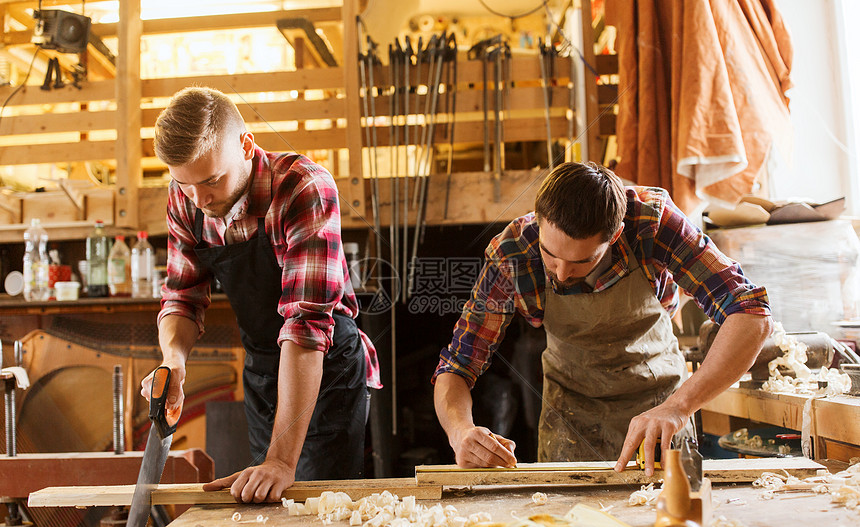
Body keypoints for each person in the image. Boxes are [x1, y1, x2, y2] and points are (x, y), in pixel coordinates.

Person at [433, 162, 772, 475]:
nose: (562, 274)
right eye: (550, 256)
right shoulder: (513, 252)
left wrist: (680, 406)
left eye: (581, 262)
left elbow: (750, 311)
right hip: (570, 418)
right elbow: (458, 365)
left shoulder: (652, 223)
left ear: (614, 235)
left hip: (660, 409)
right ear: (538, 220)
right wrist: (460, 432)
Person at [141, 87, 380, 502]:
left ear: (246, 146)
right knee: (267, 504)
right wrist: (173, 362)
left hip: (325, 368)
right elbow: (182, 297)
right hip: (264, 371)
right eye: (184, 183)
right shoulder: (188, 197)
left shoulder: (303, 187)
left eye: (212, 180)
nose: (200, 199)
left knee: (321, 511)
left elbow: (305, 326)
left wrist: (281, 461)